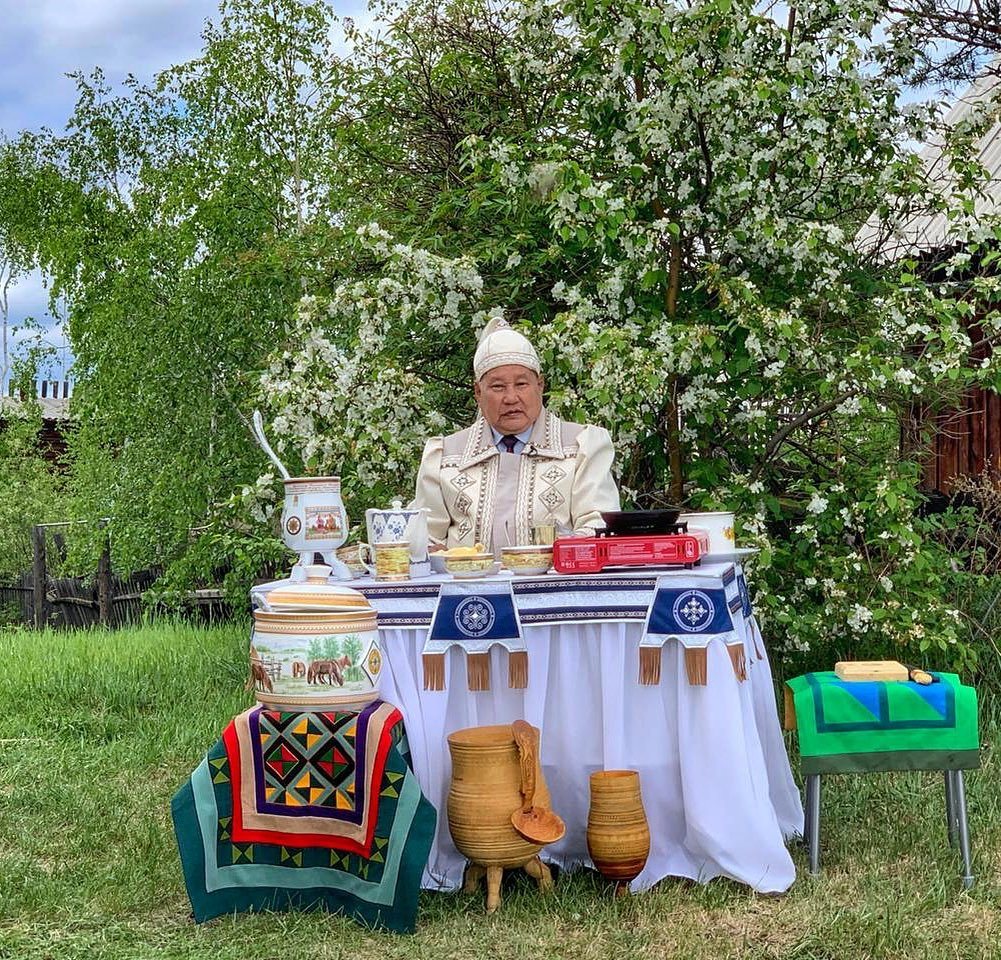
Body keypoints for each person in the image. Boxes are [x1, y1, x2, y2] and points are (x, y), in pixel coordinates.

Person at [411, 317, 621, 554]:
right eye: (498, 387)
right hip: (467, 588)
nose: (511, 398)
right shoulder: (445, 456)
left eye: (521, 384)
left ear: (540, 386)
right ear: (478, 392)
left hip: (558, 587)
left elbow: (599, 525)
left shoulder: (581, 446)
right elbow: (422, 535)